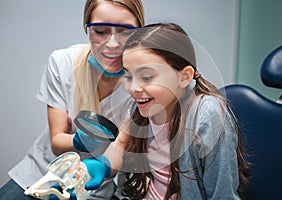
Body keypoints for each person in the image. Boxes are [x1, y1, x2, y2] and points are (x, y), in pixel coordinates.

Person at [78, 23, 252, 200]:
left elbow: (222, 195)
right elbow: (121, 144)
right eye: (128, 76)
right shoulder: (140, 106)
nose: (134, 88)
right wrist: (103, 165)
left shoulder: (207, 116)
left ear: (184, 77)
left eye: (146, 77)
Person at [0, 0, 144, 199]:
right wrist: (79, 141)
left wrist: (102, 166)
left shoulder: (145, 83)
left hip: (93, 185)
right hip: (43, 174)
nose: (112, 43)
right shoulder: (63, 63)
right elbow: (57, 141)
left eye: (125, 31)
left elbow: (119, 149)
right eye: (100, 31)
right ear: (87, 29)